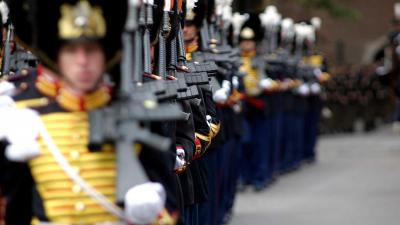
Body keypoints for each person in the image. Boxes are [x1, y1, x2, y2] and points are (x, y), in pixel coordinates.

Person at [1, 0, 176, 224]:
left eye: (91, 50)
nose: (82, 61)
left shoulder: (141, 116)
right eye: (72, 50)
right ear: (58, 57)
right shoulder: (24, 119)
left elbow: (171, 206)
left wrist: (152, 216)